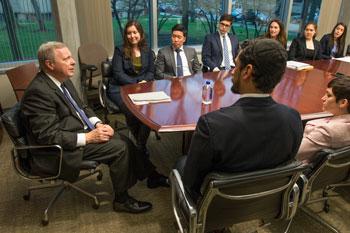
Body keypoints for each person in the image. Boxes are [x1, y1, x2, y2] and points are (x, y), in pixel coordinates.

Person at [20, 41, 153, 214]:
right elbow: (47, 136)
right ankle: (122, 200)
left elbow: (83, 107)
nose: (73, 61)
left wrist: (98, 124)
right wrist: (89, 137)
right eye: (66, 58)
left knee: (124, 138)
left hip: (77, 130)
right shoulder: (38, 92)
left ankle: (150, 174)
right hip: (56, 150)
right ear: (50, 64)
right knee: (120, 148)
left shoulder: (62, 80)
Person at [177, 39, 303, 202]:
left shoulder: (212, 125)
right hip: (266, 201)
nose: (232, 71)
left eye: (236, 65)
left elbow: (191, 181)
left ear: (247, 71)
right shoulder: (293, 118)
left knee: (181, 163)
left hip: (218, 206)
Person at [108, 20, 169, 189]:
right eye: (129, 33)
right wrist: (137, 82)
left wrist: (143, 82)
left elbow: (151, 72)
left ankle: (139, 146)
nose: (132, 35)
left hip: (142, 87)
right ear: (126, 35)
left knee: (150, 110)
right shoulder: (120, 51)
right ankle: (141, 148)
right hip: (120, 89)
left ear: (140, 34)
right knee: (133, 112)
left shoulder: (147, 51)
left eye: (135, 32)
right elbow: (118, 74)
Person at [297, 77, 350, 164]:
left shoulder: (326, 132)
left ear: (343, 103)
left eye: (328, 95)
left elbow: (291, 155)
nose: (322, 98)